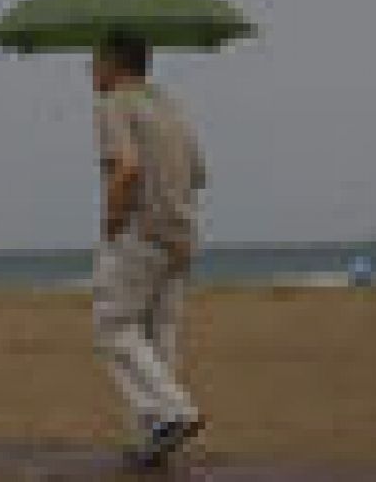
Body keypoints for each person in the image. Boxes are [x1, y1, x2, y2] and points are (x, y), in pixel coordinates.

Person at [89, 28, 208, 469]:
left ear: (116, 63)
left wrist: (112, 217)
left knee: (113, 326)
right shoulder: (170, 105)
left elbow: (128, 168)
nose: (90, 70)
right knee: (159, 339)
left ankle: (174, 412)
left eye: (95, 59)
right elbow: (198, 173)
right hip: (181, 235)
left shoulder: (115, 103)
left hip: (141, 233)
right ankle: (153, 439)